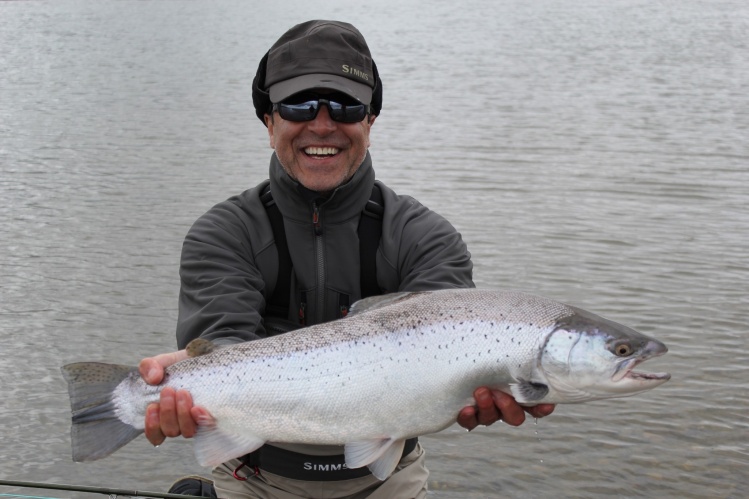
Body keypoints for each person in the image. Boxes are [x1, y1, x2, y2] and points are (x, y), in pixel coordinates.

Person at [138, 20, 555, 499]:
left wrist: (485, 387)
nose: (322, 124)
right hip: (251, 480)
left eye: (345, 106)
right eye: (298, 105)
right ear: (268, 120)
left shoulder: (426, 237)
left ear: (370, 121)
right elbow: (221, 339)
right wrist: (179, 388)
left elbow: (457, 353)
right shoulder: (225, 232)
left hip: (389, 480)